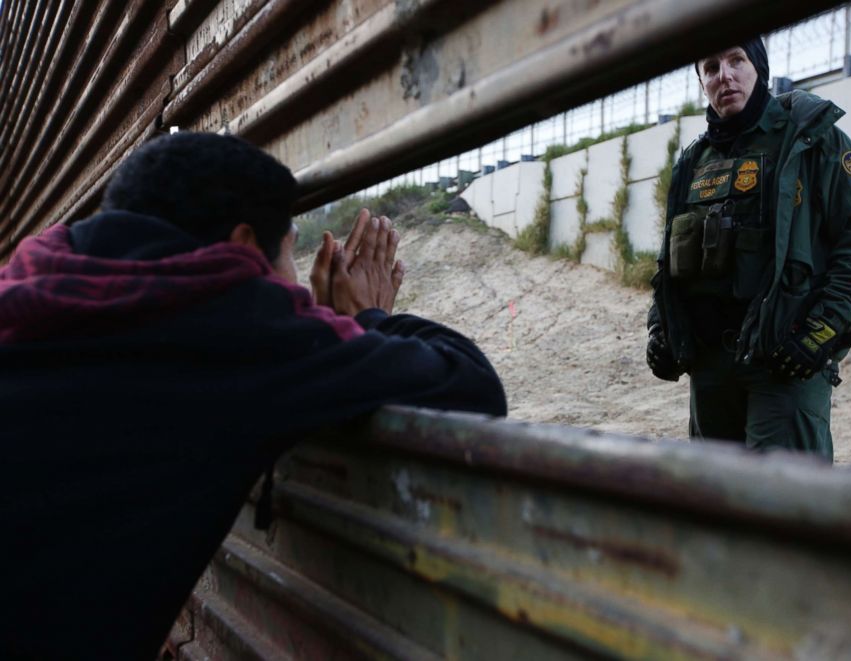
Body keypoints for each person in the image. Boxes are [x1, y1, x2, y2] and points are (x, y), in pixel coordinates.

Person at [0, 132, 506, 659]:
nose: (293, 282)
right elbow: (471, 384)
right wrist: (370, 318)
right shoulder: (228, 318)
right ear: (244, 247)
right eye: (290, 254)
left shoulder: (31, 283)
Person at [646, 38, 851, 460]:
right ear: (702, 83)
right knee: (717, 505)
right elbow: (671, 264)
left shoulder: (813, 141)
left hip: (784, 363)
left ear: (758, 67)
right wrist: (661, 328)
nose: (724, 75)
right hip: (711, 372)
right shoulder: (693, 162)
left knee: (784, 507)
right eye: (710, 66)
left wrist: (820, 331)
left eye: (736, 60)